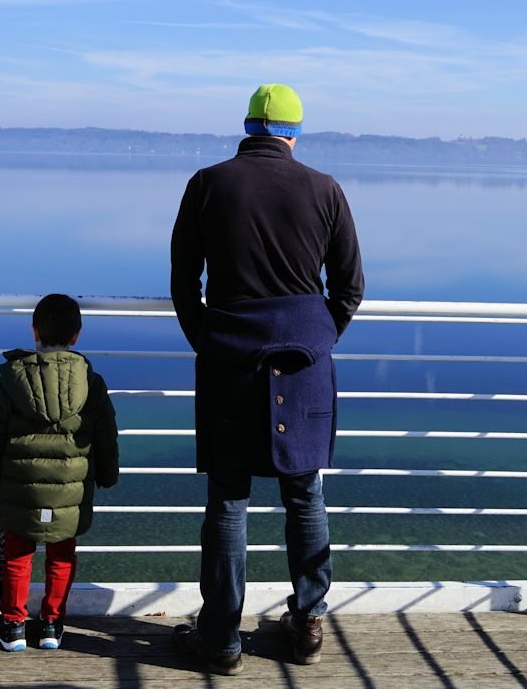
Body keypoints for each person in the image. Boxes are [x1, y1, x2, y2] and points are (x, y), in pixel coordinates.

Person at [169, 84, 364, 675]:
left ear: (249, 125)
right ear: (294, 132)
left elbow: (185, 281)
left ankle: (221, 640)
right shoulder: (325, 189)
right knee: (304, 492)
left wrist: (210, 337)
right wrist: (315, 336)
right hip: (305, 362)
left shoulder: (208, 183)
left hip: (229, 357)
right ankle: (307, 621)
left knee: (228, 499)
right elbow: (349, 288)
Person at [0, 293, 120, 652]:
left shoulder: (11, 379)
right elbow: (106, 433)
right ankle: (52, 624)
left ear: (34, 330)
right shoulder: (91, 380)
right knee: (62, 553)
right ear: (77, 335)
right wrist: (108, 475)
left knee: (17, 553)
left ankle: (12, 626)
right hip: (71, 490)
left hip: (21, 489)